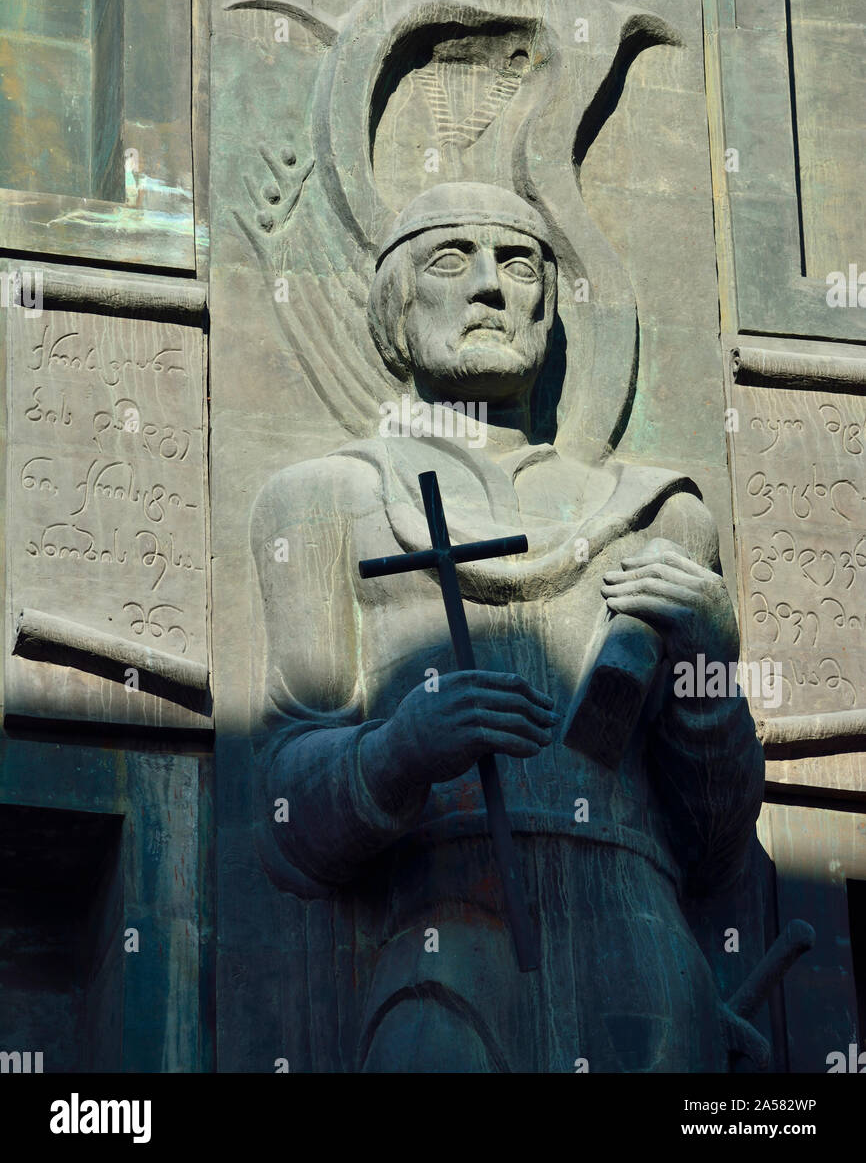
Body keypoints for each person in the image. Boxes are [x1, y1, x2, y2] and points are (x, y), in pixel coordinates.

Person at [251, 181, 764, 1072]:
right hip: (440, 940)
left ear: (549, 307)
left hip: (640, 960)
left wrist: (712, 668)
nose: (491, 286)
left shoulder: (657, 517)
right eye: (452, 259)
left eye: (520, 263)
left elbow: (716, 850)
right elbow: (288, 822)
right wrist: (402, 750)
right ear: (395, 309)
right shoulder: (324, 500)